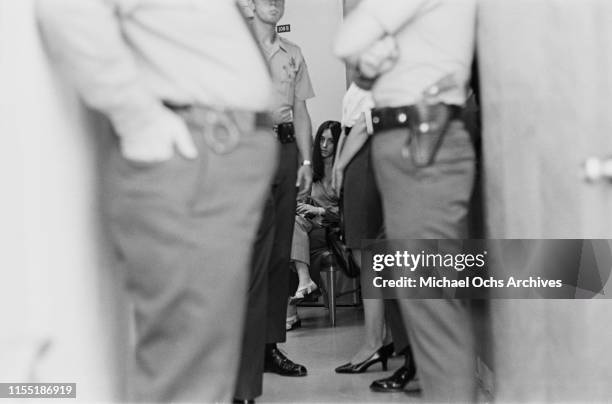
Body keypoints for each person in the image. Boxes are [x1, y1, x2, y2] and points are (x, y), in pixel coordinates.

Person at [36, 0, 277, 402]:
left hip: (220, 157)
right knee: (186, 372)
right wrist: (139, 120)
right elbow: (67, 8)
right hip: (193, 156)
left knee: (205, 364)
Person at [335, 0, 478, 402]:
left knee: (431, 301)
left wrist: (370, 46)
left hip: (422, 140)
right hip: (407, 139)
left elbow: (347, 39)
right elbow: (362, 74)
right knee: (424, 297)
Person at [234, 0, 315, 402]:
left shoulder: (293, 54)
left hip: (286, 153)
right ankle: (241, 363)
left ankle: (268, 348)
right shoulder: (235, 44)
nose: (274, 3)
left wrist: (306, 161)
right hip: (249, 149)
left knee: (280, 256)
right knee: (252, 259)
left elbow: (301, 111)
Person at [332, 84, 419, 394]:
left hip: (366, 152)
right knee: (368, 253)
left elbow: (366, 121)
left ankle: (376, 342)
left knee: (370, 253)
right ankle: (380, 339)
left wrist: (339, 165)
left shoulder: (380, 68)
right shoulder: (363, 72)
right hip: (358, 151)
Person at [286, 120, 341, 330]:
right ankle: (304, 280)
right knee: (289, 229)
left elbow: (348, 211)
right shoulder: (312, 171)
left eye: (331, 141)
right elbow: (303, 199)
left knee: (291, 241)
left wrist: (320, 211)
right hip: (309, 223)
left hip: (331, 227)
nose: (324, 145)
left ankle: (291, 308)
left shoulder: (341, 171)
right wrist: (303, 207)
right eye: (322, 140)